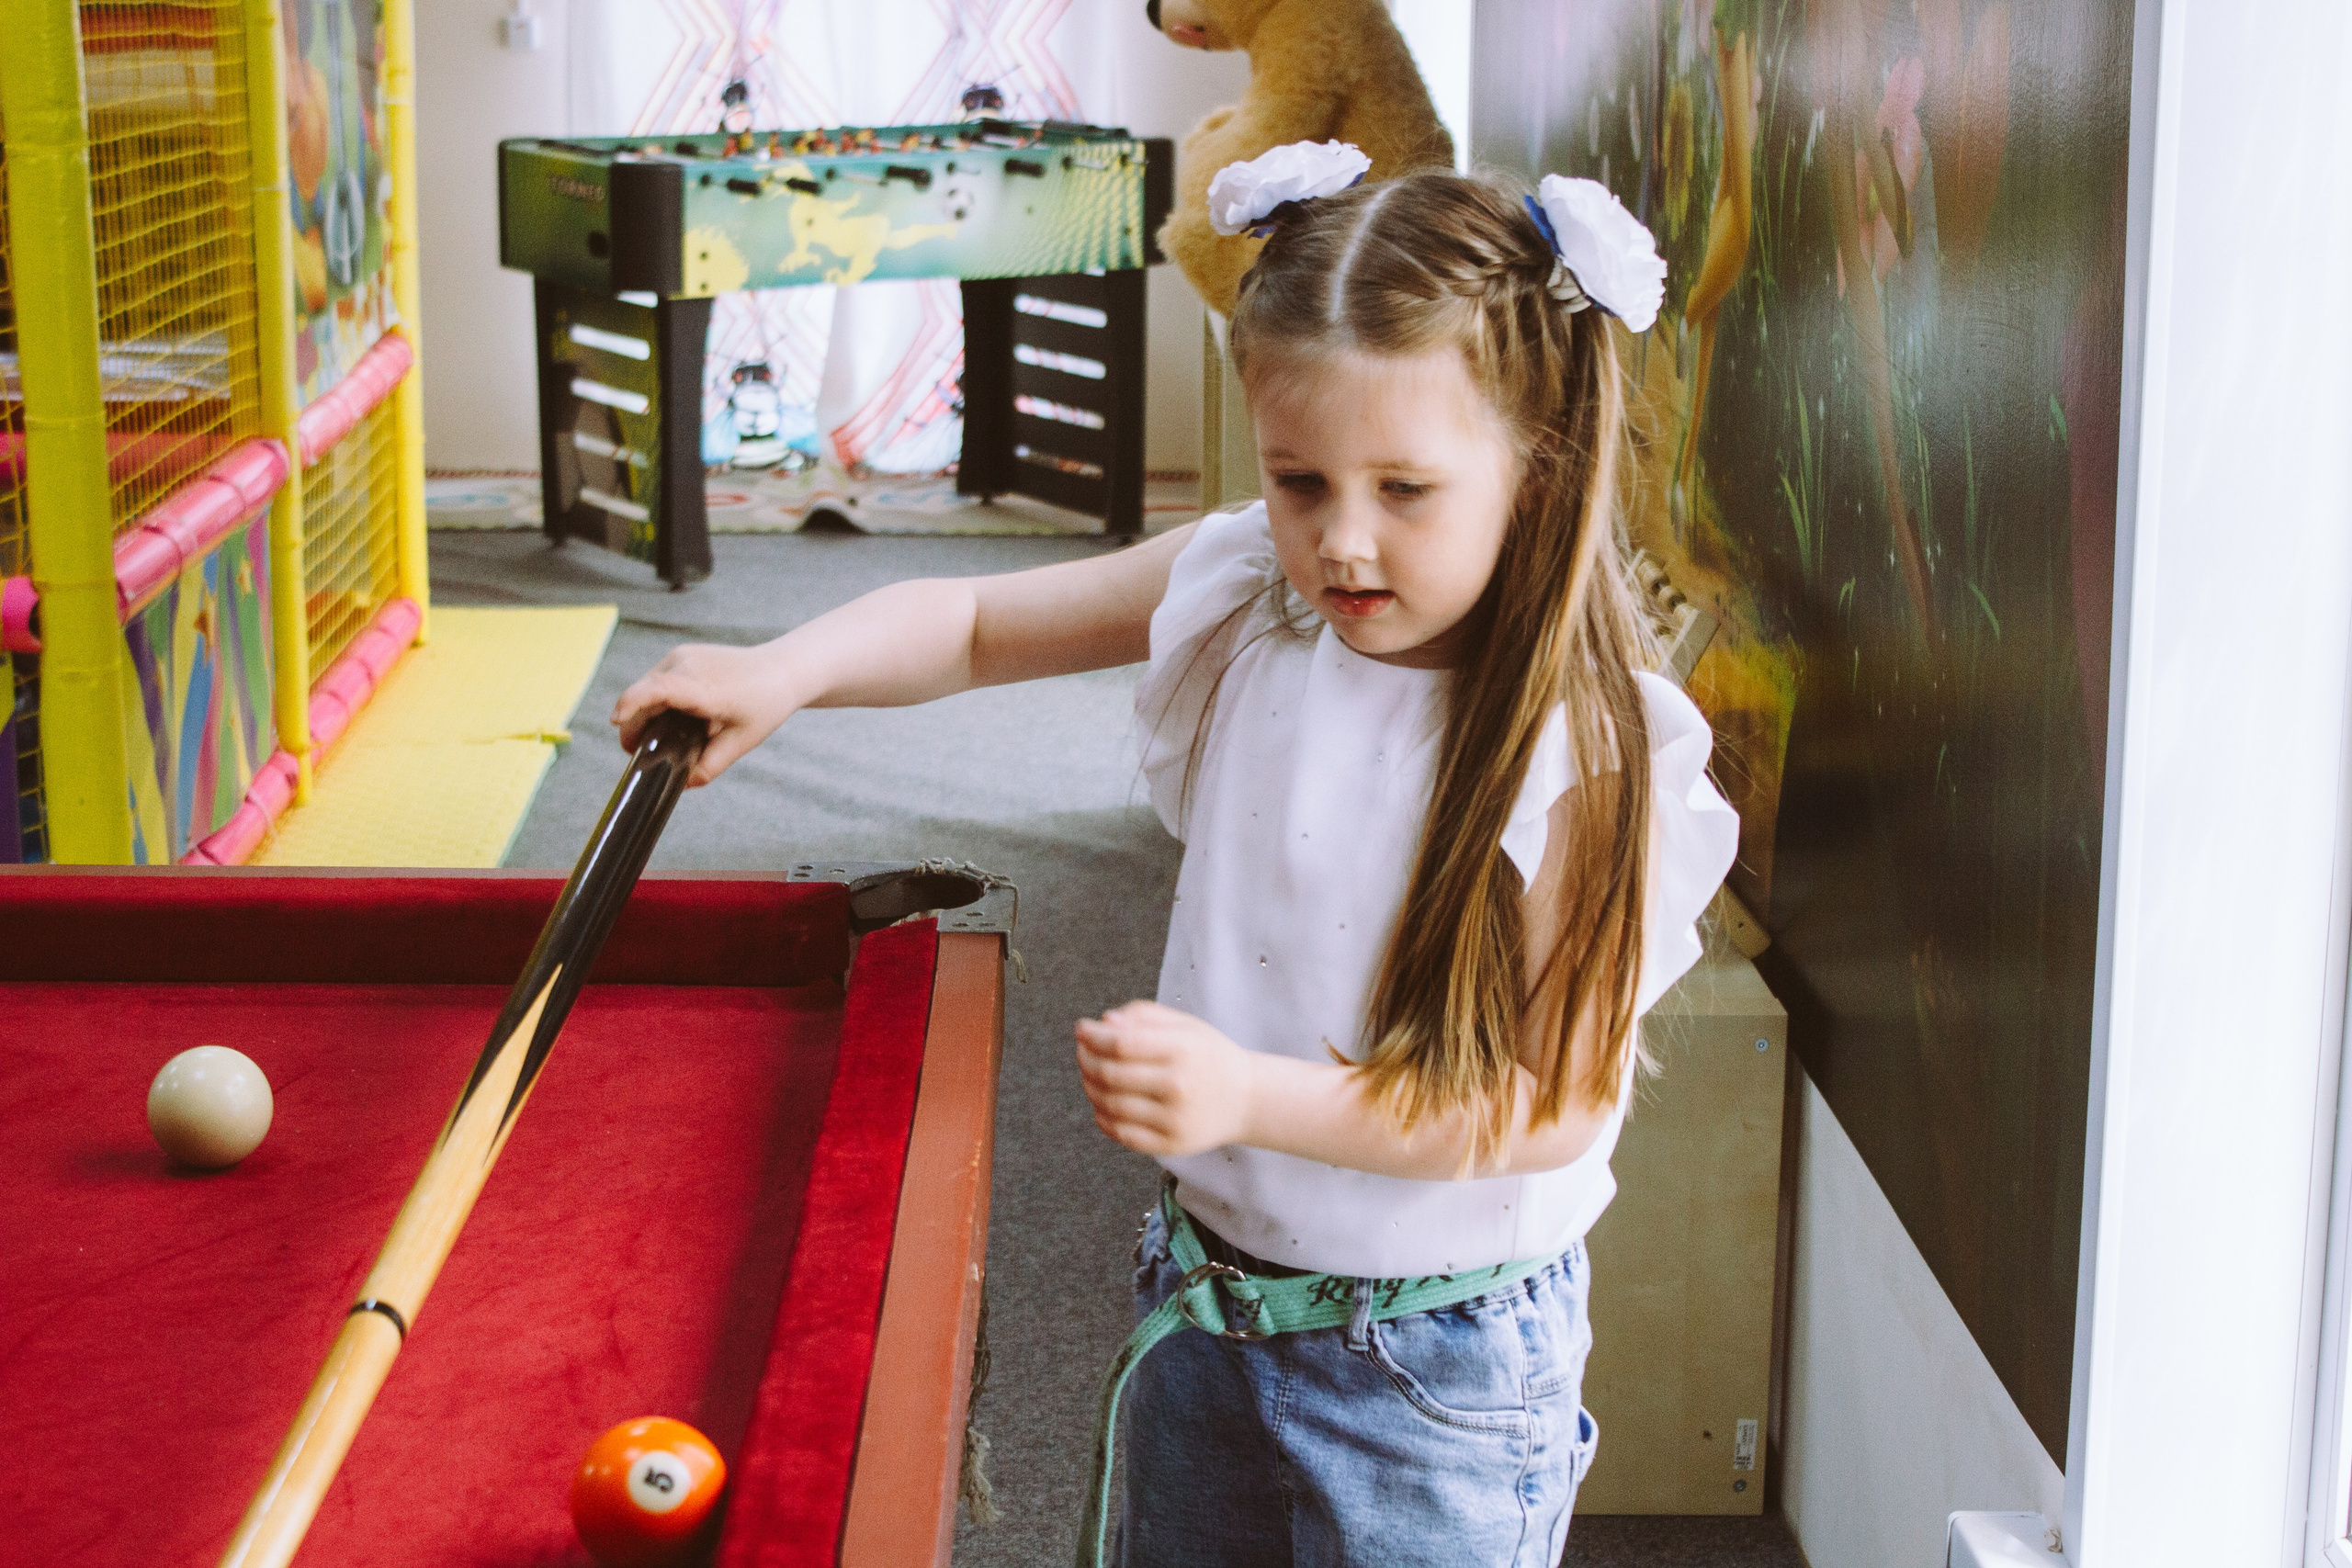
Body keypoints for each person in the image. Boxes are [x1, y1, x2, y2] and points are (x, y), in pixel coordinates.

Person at [613, 145, 1739, 1568]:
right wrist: (788, 666)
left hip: (1436, 1374)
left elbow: (1547, 1107)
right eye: (1297, 478)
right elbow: (974, 628)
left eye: (1406, 488)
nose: (1341, 540)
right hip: (1212, 1300)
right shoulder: (1248, 590)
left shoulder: (1586, 753)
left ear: (1539, 457)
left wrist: (1245, 1093)